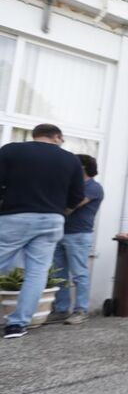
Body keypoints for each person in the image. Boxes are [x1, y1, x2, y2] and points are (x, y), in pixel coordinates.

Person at [0, 124, 85, 339]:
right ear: (57, 137)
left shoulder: (11, 150)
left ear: (35, 135)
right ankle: (17, 325)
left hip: (15, 216)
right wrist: (61, 211)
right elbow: (77, 196)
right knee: (37, 272)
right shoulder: (71, 159)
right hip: (52, 220)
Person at [46, 154, 104, 326]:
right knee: (59, 274)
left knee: (79, 274)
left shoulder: (93, 187)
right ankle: (61, 310)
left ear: (83, 167)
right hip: (60, 233)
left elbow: (70, 207)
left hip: (78, 235)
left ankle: (81, 310)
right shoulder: (72, 186)